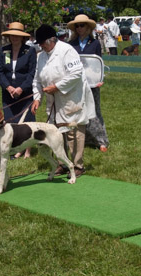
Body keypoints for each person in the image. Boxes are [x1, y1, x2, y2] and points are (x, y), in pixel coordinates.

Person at [31, 24, 96, 178]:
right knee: (56, 132)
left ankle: (78, 165)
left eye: (42, 43)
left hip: (71, 96)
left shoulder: (67, 50)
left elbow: (76, 73)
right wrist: (36, 97)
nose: (40, 46)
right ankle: (63, 163)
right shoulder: (41, 56)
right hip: (53, 98)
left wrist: (57, 87)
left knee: (74, 130)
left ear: (50, 40)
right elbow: (37, 79)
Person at [67, 14, 109, 152]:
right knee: (77, 110)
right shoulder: (70, 45)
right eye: (77, 26)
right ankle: (80, 138)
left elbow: (98, 63)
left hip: (92, 83)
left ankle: (101, 140)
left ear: (88, 27)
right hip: (76, 82)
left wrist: (99, 79)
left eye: (82, 25)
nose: (79, 28)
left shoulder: (95, 43)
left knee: (95, 110)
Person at [0, 22, 37, 158]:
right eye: (12, 35)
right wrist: (8, 87)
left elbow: (32, 73)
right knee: (10, 120)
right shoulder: (4, 50)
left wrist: (21, 88)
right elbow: (0, 73)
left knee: (27, 120)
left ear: (22, 37)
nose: (14, 37)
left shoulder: (30, 51)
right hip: (8, 91)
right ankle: (14, 148)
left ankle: (27, 150)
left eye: (17, 35)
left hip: (24, 91)